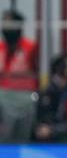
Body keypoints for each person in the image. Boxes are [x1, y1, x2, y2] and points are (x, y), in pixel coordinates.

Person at [0, 9, 38, 143]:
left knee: (23, 140)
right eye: (4, 24)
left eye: (10, 24)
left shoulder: (31, 47)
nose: (5, 28)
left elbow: (38, 73)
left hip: (26, 98)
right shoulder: (0, 48)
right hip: (3, 99)